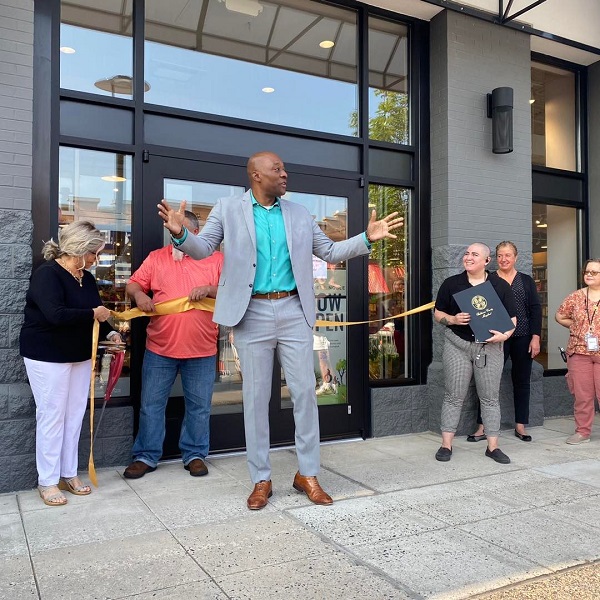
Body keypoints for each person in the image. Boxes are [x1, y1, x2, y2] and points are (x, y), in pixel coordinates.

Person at [158, 151, 403, 510]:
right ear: (256, 175)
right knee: (256, 400)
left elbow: (331, 252)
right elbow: (203, 248)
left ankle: (308, 474)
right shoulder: (228, 209)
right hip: (251, 311)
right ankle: (261, 478)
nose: (285, 174)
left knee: (305, 393)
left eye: (284, 168)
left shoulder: (300, 213)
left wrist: (366, 238)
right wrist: (180, 233)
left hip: (293, 309)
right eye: (277, 169)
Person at [20, 221, 119, 506]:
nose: (95, 259)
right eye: (93, 253)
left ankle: (68, 472)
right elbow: (55, 314)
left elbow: (98, 310)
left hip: (79, 354)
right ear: (77, 249)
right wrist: (92, 312)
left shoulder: (85, 277)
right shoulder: (47, 274)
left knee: (75, 414)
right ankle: (48, 481)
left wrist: (110, 330)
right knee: (52, 415)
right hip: (47, 354)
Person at [123, 212, 223, 479]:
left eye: (182, 234)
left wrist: (210, 290)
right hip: (160, 349)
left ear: (196, 234)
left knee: (199, 407)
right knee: (151, 405)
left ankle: (195, 455)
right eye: (174, 234)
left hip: (202, 350)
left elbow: (237, 291)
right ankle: (145, 455)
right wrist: (140, 294)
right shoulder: (157, 258)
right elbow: (132, 284)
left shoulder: (216, 259)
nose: (177, 240)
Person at [434, 242, 517, 464]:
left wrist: (505, 336)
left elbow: (512, 321)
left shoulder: (500, 286)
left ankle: (493, 447)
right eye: (467, 253)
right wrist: (452, 319)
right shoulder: (452, 283)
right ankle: (446, 444)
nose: (468, 257)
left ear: (486, 261)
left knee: (490, 398)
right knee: (453, 395)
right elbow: (438, 312)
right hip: (457, 345)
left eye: (475, 254)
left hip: (489, 347)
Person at [468, 241, 542, 443]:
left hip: (522, 336)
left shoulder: (525, 281)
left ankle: (520, 425)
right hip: (494, 337)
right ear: (494, 258)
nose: (504, 259)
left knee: (522, 381)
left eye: (508, 255)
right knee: (487, 382)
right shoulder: (488, 280)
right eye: (500, 255)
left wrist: (535, 337)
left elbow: (535, 309)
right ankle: (482, 426)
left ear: (516, 257)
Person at [555, 259, 600, 444]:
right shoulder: (575, 296)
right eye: (587, 271)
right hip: (579, 352)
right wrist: (576, 326)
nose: (588, 274)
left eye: (594, 272)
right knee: (582, 396)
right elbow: (559, 315)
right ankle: (582, 432)